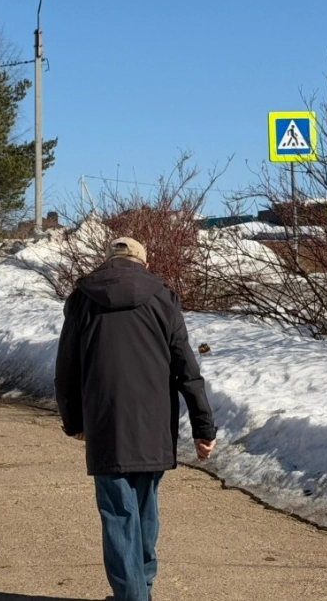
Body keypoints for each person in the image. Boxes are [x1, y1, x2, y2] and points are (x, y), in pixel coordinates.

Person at [54, 236, 218, 601]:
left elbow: (66, 367)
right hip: (153, 423)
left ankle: (133, 595)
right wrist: (203, 427)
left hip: (105, 420)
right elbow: (186, 369)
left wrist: (74, 421)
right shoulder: (162, 297)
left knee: (117, 513)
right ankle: (139, 589)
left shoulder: (82, 297)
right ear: (144, 263)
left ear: (107, 261)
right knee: (145, 507)